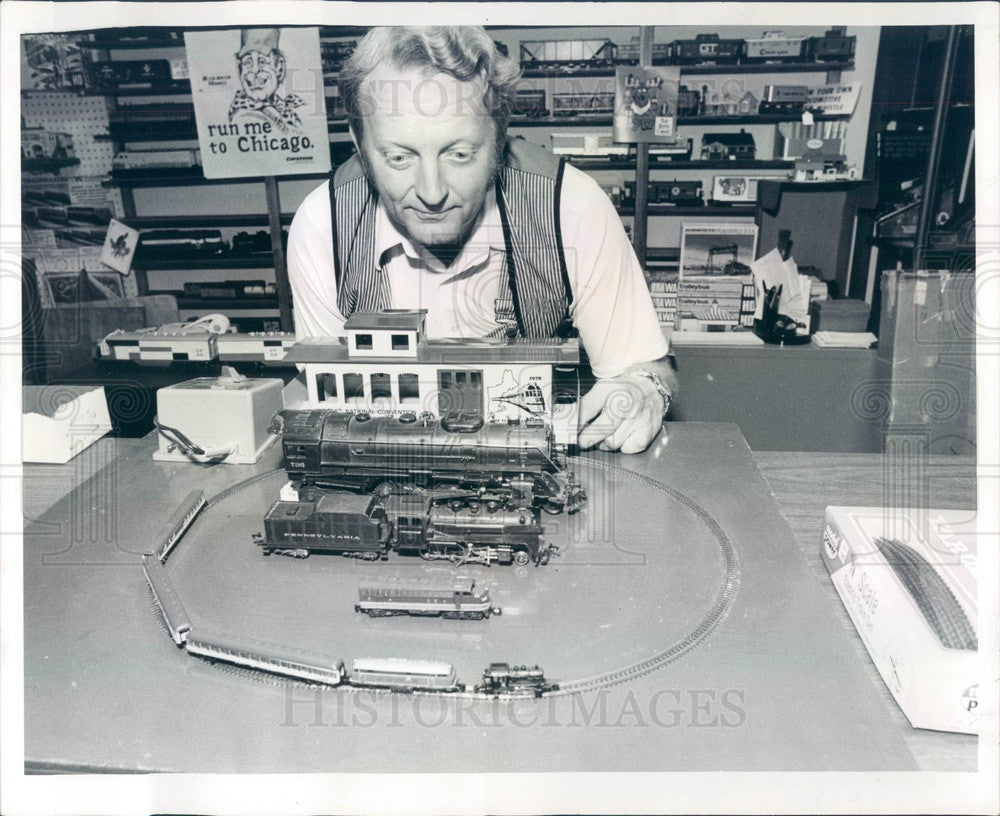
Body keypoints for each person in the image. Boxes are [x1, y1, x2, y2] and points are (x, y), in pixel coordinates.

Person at [287, 26, 676, 454]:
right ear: (359, 144)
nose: (432, 192)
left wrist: (645, 391)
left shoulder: (572, 208)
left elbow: (645, 366)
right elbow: (331, 405)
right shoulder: (323, 227)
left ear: (498, 138)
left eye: (460, 155)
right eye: (399, 157)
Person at [229, 28, 304, 134]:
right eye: (248, 62)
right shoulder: (244, 117)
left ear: (280, 67)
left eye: (262, 61)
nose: (255, 70)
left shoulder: (283, 108)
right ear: (240, 68)